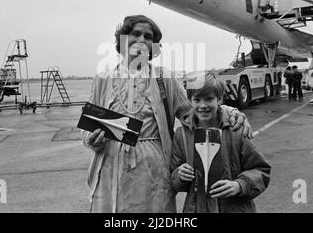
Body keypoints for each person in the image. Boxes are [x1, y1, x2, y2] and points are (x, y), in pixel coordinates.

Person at [82, 15, 253, 213]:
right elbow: (88, 125)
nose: (142, 40)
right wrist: (91, 139)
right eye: (135, 33)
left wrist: (228, 110)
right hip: (110, 167)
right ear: (121, 39)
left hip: (153, 170)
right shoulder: (102, 79)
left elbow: (193, 112)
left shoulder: (165, 78)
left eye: (148, 36)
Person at [170, 71, 271, 213]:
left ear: (219, 99)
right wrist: (179, 175)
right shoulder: (182, 135)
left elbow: (261, 170)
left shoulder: (236, 129)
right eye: (197, 100)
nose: (202, 105)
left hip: (234, 208)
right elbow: (172, 178)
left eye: (209, 99)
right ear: (190, 101)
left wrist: (239, 185)